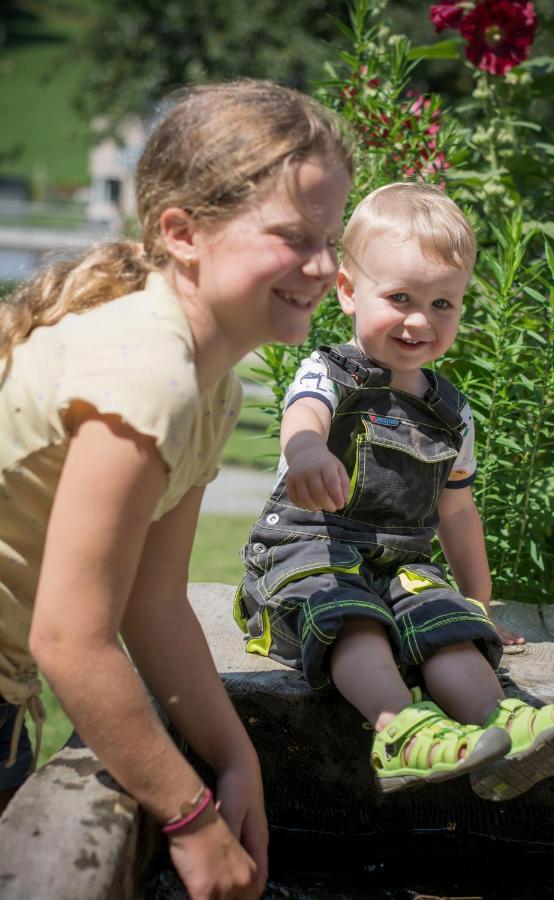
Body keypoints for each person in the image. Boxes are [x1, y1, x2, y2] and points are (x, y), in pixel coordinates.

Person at [0, 79, 352, 898]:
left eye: (331, 237)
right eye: (295, 237)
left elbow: (152, 604)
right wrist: (191, 821)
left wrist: (236, 759)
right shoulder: (148, 371)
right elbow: (71, 639)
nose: (327, 266)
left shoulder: (211, 385)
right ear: (183, 232)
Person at [236, 182, 554, 802]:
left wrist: (479, 601)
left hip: (397, 563)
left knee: (445, 620)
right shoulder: (331, 372)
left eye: (442, 304)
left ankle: (502, 726)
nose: (419, 320)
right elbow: (305, 414)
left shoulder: (452, 414)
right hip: (308, 556)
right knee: (353, 620)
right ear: (348, 292)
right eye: (400, 297)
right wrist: (305, 450)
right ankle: (398, 729)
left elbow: (457, 511)